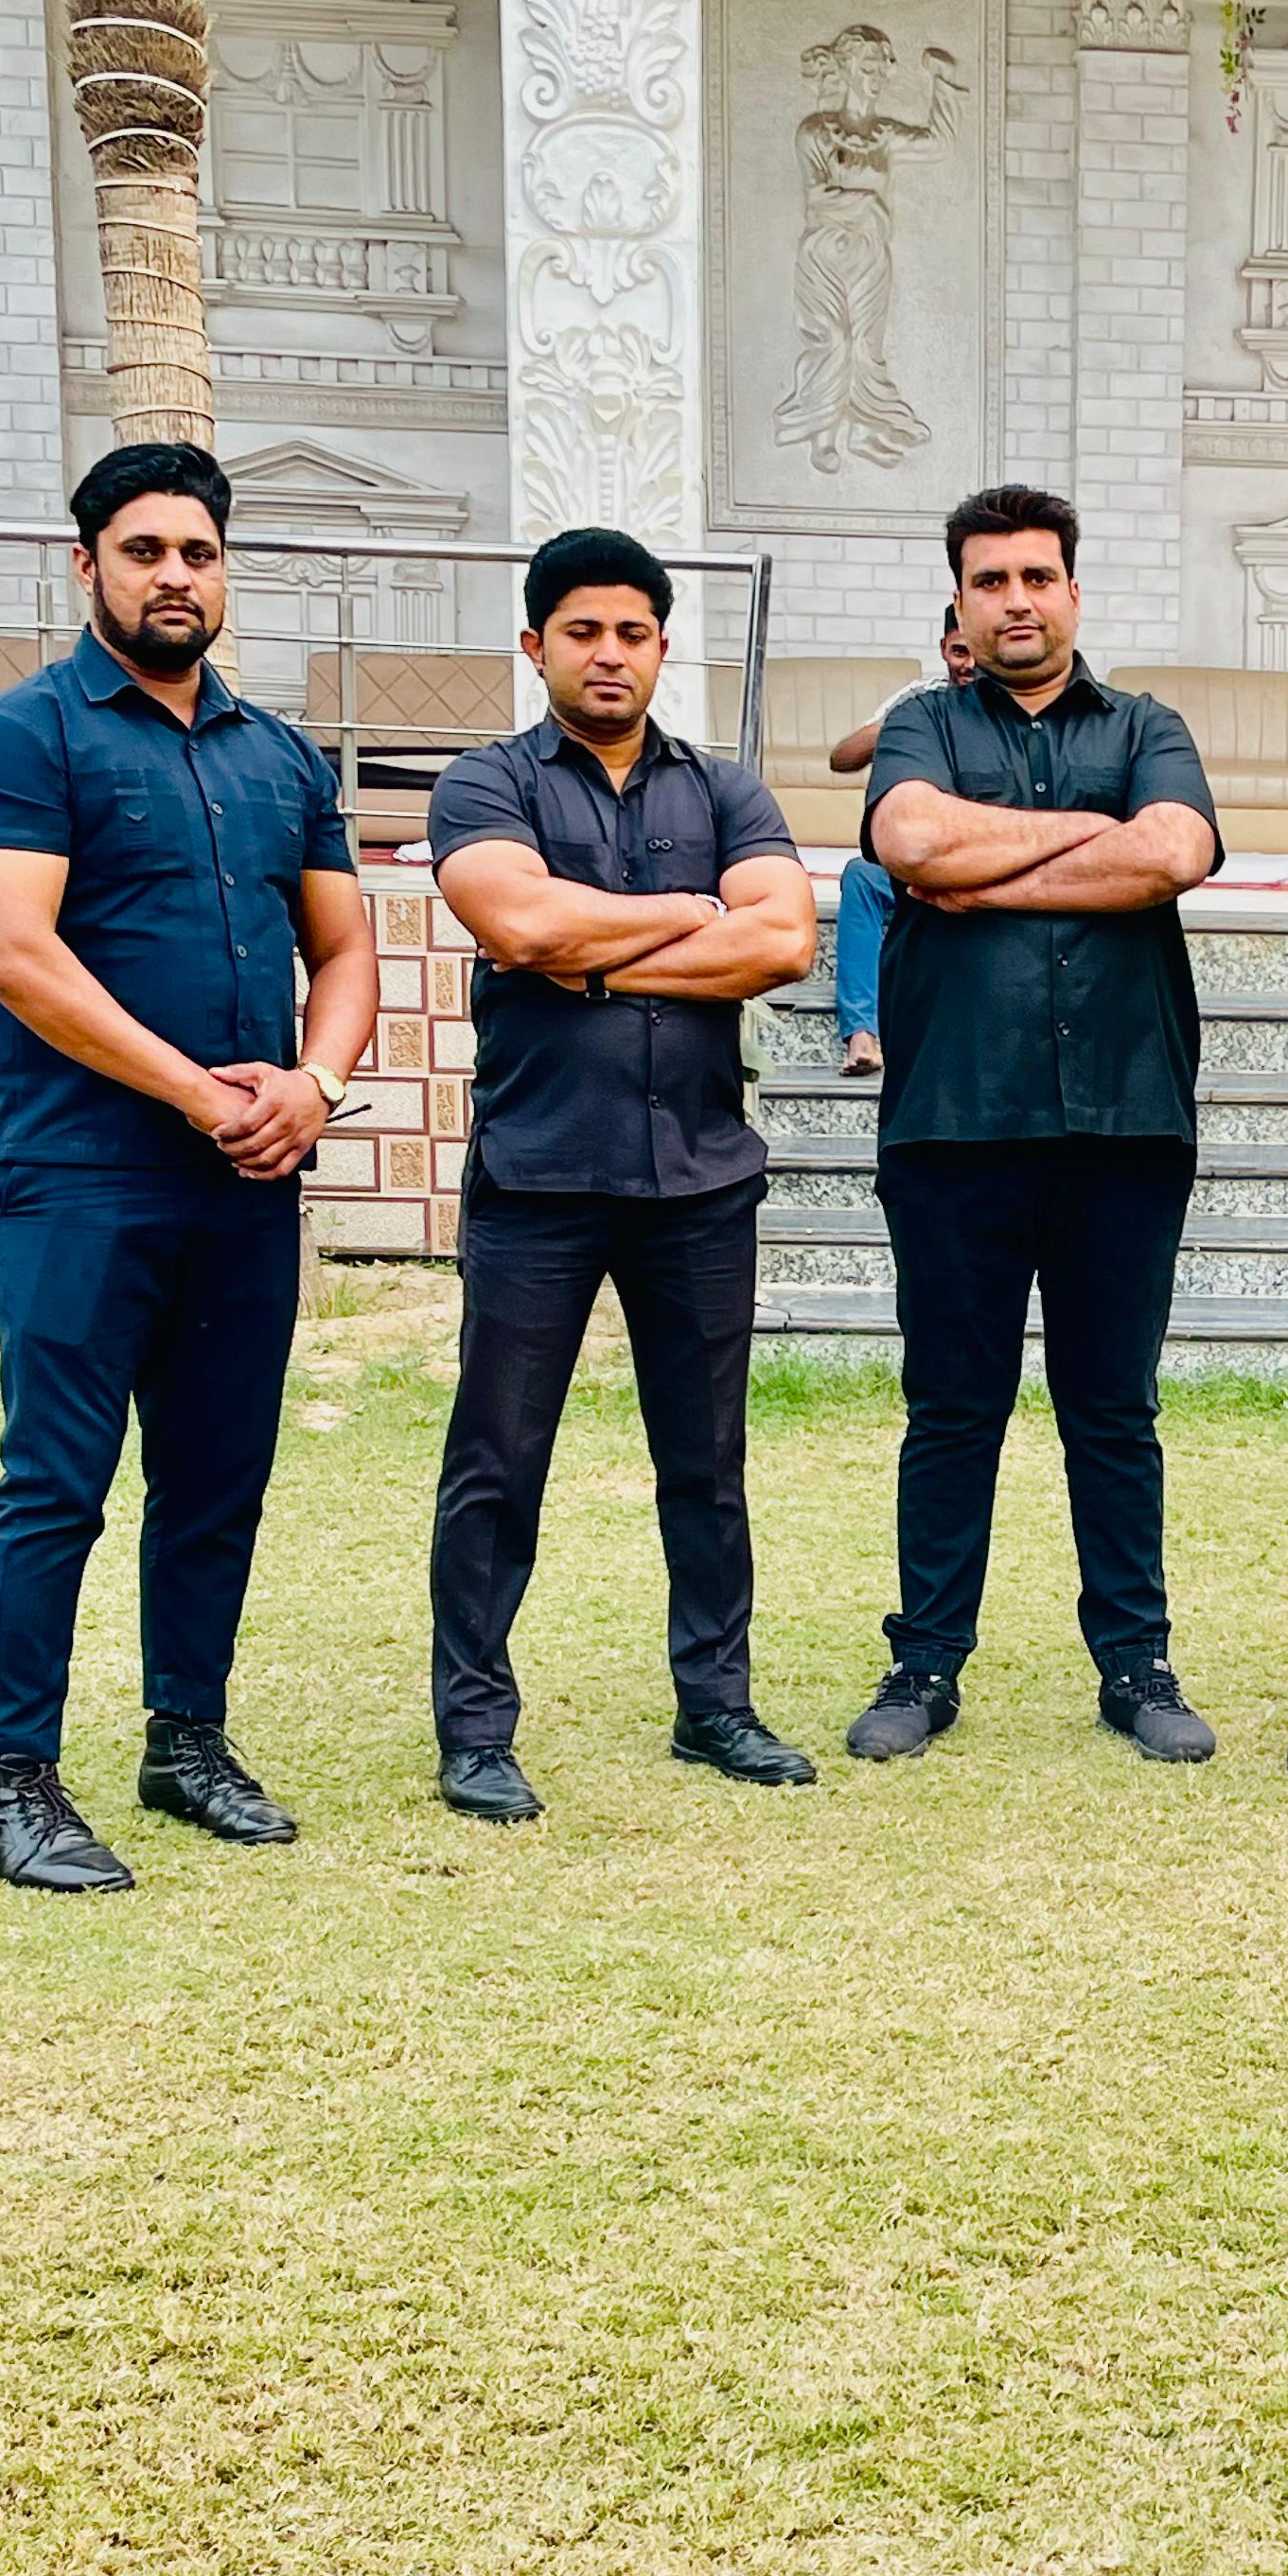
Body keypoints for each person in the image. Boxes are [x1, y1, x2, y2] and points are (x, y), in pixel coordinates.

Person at [0, 441, 378, 1892]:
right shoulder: (25, 737)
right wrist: (202, 1093)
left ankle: (186, 1742)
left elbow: (346, 949)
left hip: (243, 1184)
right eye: (143, 551)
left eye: (197, 552)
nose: (173, 576)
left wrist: (314, 1086)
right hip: (74, 1176)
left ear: (224, 569)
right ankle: (15, 1783)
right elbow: (12, 949)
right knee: (56, 1483)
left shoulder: (280, 758)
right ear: (88, 567)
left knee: (214, 1478)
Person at [423, 528, 820, 1822]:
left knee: (706, 1463)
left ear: (662, 647)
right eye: (583, 632)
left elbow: (784, 944)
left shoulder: (727, 794)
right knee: (498, 1462)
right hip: (540, 1177)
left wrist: (585, 958)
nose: (610, 654)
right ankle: (476, 1728)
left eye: (633, 633)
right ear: (534, 645)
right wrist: (690, 917)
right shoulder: (485, 785)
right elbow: (517, 918)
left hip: (700, 1180)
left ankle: (717, 1706)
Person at [846, 482, 1222, 1763]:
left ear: (1074, 591)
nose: (1016, 601)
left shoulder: (1149, 726)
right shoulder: (921, 726)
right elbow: (909, 839)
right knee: (953, 1407)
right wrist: (1090, 845)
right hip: (956, 1120)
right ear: (959, 602)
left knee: (1113, 1409)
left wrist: (986, 866)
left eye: (1037, 577)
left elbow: (1172, 852)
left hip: (1125, 1120)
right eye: (990, 581)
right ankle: (925, 1663)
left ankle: (1136, 1663)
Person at [826, 608, 973, 1076]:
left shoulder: (1013, 704)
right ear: (943, 649)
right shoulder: (919, 700)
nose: (969, 665)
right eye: (959, 652)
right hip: (918, 867)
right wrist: (910, 725)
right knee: (860, 877)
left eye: (978, 652)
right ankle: (862, 1035)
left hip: (981, 870)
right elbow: (841, 757)